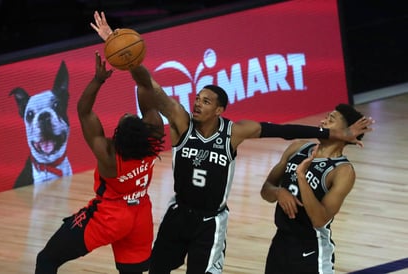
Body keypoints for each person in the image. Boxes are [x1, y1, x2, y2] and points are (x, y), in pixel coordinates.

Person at [91, 11, 374, 274]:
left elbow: (281, 130)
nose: (197, 104)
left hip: (210, 222)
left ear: (219, 110)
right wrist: (125, 52)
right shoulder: (182, 122)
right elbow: (151, 87)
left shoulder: (235, 132)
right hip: (178, 215)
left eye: (206, 101)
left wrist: (326, 134)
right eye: (197, 98)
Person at [34, 51, 165, 274]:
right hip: (140, 213)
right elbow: (146, 86)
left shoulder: (108, 156)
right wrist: (131, 61)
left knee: (47, 258)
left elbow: (83, 112)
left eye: (125, 119)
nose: (127, 113)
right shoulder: (152, 140)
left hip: (110, 216)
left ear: (117, 138)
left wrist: (98, 79)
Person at [260, 104, 366, 274]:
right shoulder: (298, 148)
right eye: (326, 117)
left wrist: (301, 176)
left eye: (331, 120)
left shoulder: (342, 171)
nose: (323, 121)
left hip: (311, 250)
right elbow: (266, 190)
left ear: (345, 133)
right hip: (280, 243)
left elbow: (320, 219)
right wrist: (279, 192)